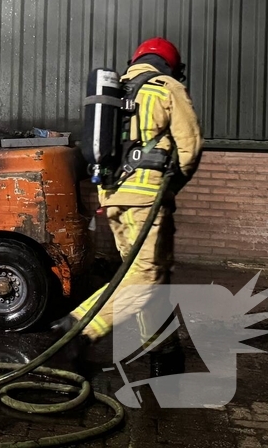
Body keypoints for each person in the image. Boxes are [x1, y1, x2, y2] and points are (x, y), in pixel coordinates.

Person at [62, 38, 203, 368]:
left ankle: (163, 354)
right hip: (145, 200)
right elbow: (190, 147)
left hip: (113, 200)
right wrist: (170, 187)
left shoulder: (117, 90)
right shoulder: (165, 86)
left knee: (151, 276)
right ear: (171, 66)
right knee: (145, 277)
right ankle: (78, 327)